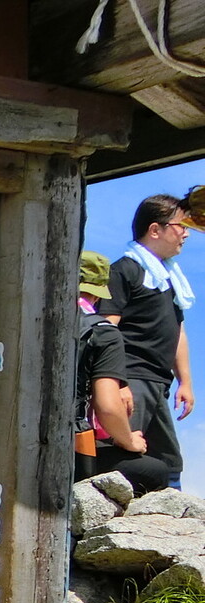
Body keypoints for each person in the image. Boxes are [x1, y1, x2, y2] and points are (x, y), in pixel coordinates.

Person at [98, 194, 198, 489]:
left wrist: (187, 383)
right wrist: (117, 381)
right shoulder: (124, 271)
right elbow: (106, 331)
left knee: (169, 461)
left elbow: (177, 331)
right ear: (156, 229)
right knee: (122, 449)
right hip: (130, 376)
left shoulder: (170, 279)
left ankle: (170, 526)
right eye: (182, 225)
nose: (187, 233)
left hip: (158, 382)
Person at [76, 250, 170, 494]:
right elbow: (107, 406)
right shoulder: (103, 332)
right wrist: (129, 440)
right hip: (69, 454)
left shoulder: (34, 319)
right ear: (98, 295)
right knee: (155, 471)